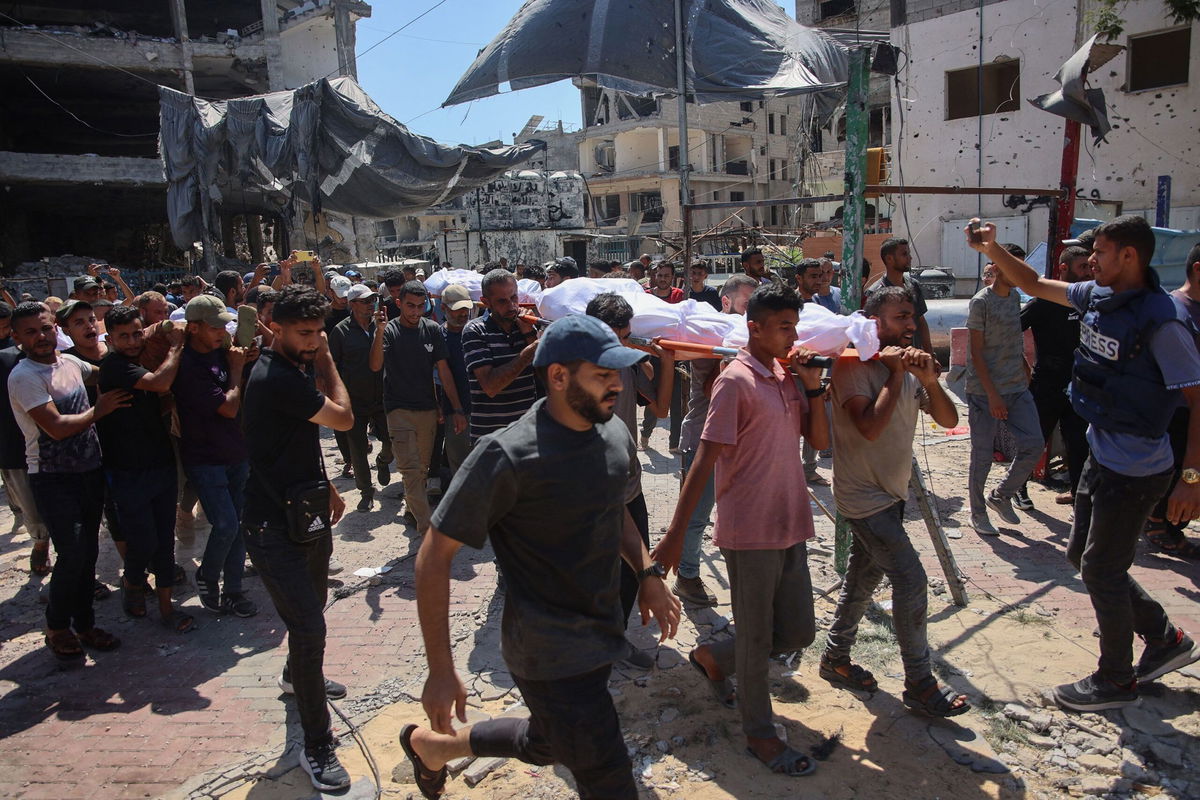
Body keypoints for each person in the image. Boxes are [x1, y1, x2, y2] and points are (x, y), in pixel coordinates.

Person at [398, 314, 680, 800]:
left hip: (602, 629)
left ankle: (434, 748)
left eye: (619, 373)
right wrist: (441, 669)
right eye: (603, 375)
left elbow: (612, 508)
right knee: (607, 776)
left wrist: (647, 571)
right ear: (558, 376)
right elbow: (433, 557)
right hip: (548, 650)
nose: (617, 385)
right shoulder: (506, 456)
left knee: (550, 741)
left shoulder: (611, 432)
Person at [968, 215, 1200, 711]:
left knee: (1101, 569)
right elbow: (1030, 282)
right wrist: (991, 249)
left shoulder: (1162, 322)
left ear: (1130, 256)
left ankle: (1115, 679)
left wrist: (1191, 478)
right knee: (1083, 558)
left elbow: (1198, 400)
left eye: (1101, 252)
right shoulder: (1095, 295)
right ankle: (1164, 638)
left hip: (1137, 470)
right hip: (1100, 453)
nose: (1090, 260)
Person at [653, 283, 828, 778]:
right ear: (754, 328)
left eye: (795, 326)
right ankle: (760, 733)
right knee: (756, 638)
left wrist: (811, 385)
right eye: (784, 327)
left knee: (796, 630)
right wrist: (673, 535)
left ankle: (713, 656)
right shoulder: (735, 381)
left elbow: (819, 440)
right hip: (749, 528)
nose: (793, 335)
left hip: (790, 520)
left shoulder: (785, 375)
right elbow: (704, 459)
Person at [820, 286, 968, 715]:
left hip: (890, 494)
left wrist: (928, 381)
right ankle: (919, 682)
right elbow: (868, 428)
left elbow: (947, 419)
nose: (910, 325)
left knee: (861, 582)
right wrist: (899, 374)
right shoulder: (852, 366)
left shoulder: (907, 366)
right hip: (862, 498)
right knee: (910, 580)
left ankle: (834, 657)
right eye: (901, 317)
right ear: (874, 323)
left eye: (910, 317)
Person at [241, 285, 356, 791]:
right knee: (309, 629)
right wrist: (330, 362)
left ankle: (298, 678)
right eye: (305, 333)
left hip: (302, 511)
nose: (313, 342)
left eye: (318, 333)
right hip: (271, 527)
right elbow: (344, 418)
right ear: (277, 328)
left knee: (315, 607)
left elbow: (288, 441)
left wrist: (326, 483)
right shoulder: (278, 377)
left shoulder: (289, 370)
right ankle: (317, 745)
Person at [8, 301, 129, 660]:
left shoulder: (70, 363)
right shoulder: (24, 377)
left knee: (88, 551)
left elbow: (104, 372)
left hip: (89, 472)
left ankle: (85, 623)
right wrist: (99, 410)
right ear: (17, 337)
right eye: (30, 331)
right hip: (53, 478)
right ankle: (57, 627)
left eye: (45, 328)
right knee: (73, 552)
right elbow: (57, 428)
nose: (41, 337)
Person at [586, 292, 677, 668]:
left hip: (629, 482)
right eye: (614, 337)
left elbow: (661, 407)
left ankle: (613, 641)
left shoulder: (629, 363)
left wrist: (666, 362)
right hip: (594, 488)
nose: (619, 345)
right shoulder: (575, 372)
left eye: (624, 337)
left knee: (630, 567)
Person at [96, 305, 194, 632]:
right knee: (144, 541)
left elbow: (159, 398)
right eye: (123, 336)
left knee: (164, 540)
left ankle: (167, 610)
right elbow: (160, 384)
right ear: (109, 339)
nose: (132, 340)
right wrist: (178, 346)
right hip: (128, 470)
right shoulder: (115, 366)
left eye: (136, 333)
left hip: (160, 464)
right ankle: (133, 582)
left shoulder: (139, 363)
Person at [674, 274, 757, 608]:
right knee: (696, 515)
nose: (752, 311)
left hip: (739, 441)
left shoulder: (745, 335)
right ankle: (687, 575)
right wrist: (734, 359)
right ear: (726, 302)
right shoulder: (711, 334)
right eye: (746, 303)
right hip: (703, 437)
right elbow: (712, 390)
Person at [173, 295, 258, 617]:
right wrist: (237, 370)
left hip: (235, 451)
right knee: (224, 524)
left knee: (237, 524)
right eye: (214, 326)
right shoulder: (188, 366)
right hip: (205, 458)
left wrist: (244, 361)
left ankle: (234, 591)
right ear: (193, 328)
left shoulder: (222, 354)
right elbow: (228, 406)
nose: (222, 331)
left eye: (225, 325)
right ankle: (208, 576)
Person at [370, 280, 466, 533]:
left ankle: (413, 511)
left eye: (420, 306)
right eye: (410, 306)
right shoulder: (389, 330)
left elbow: (444, 372)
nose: (415, 311)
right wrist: (379, 331)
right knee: (410, 470)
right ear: (399, 304)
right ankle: (427, 528)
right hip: (397, 409)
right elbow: (376, 365)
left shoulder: (432, 330)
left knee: (421, 470)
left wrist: (455, 409)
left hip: (426, 408)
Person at [964, 250, 1044, 535]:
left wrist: (1024, 367)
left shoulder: (1013, 298)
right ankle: (977, 513)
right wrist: (993, 394)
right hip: (985, 392)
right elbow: (976, 351)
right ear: (998, 269)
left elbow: (1012, 338)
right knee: (983, 455)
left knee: (1034, 444)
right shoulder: (981, 302)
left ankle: (1001, 495)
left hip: (1016, 387)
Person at [1019, 246, 1092, 507]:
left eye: (1089, 266)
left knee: (1079, 442)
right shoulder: (1042, 302)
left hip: (1080, 384)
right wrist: (1022, 368)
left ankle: (1078, 493)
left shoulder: (1089, 301)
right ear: (1063, 268)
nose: (1087, 272)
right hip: (1047, 383)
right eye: (1082, 267)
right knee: (1034, 440)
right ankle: (1017, 487)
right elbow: (1010, 332)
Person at [1142, 240, 1200, 559]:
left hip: (1191, 409)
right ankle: (1158, 524)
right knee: (1175, 470)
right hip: (1178, 410)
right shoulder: (1175, 311)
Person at [329, 284, 393, 513]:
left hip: (382, 396)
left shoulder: (381, 327)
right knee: (357, 448)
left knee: (391, 441)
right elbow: (332, 366)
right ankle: (366, 492)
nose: (370, 305)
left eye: (372, 300)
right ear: (352, 304)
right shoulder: (341, 331)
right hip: (354, 399)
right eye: (365, 301)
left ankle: (384, 461)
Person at [462, 270, 539, 442]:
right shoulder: (475, 331)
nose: (511, 306)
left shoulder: (524, 326)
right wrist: (532, 347)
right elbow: (491, 386)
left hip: (526, 436)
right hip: (490, 440)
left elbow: (542, 375)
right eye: (502, 301)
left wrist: (529, 335)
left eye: (514, 298)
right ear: (485, 302)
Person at [0, 341, 51, 575]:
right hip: (14, 444)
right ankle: (40, 542)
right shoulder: (6, 361)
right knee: (31, 507)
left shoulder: (60, 360)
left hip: (54, 446)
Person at [793, 259, 831, 486]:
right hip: (794, 373)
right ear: (799, 279)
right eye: (814, 276)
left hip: (815, 374)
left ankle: (808, 468)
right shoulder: (791, 303)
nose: (819, 280)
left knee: (814, 419)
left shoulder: (818, 302)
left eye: (821, 275)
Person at [866, 238, 933, 354]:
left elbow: (921, 321)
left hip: (914, 357)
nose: (910, 258)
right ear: (889, 259)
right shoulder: (876, 293)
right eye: (904, 254)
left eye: (909, 253)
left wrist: (930, 352)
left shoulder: (913, 285)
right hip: (890, 359)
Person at [438, 284, 474, 481]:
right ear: (443, 308)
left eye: (465, 309)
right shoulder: (439, 337)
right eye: (457, 309)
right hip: (456, 412)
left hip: (481, 409)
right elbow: (442, 377)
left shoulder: (476, 331)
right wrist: (456, 410)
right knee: (460, 466)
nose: (463, 314)